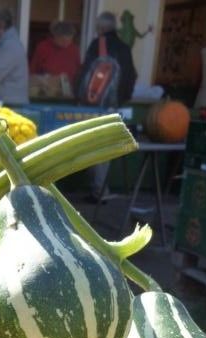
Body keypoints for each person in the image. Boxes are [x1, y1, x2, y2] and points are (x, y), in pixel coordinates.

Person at [77, 11, 137, 201]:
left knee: (92, 148)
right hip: (114, 107)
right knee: (105, 149)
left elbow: (84, 76)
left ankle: (98, 192)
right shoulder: (124, 48)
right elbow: (131, 76)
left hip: (93, 107)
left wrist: (80, 99)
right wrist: (120, 100)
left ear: (101, 28)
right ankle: (101, 190)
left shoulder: (97, 45)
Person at [29, 20, 81, 89]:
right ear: (55, 36)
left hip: (68, 88)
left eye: (70, 40)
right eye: (63, 40)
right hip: (46, 88)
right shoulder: (43, 47)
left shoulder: (74, 49)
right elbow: (33, 71)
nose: (66, 43)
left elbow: (78, 71)